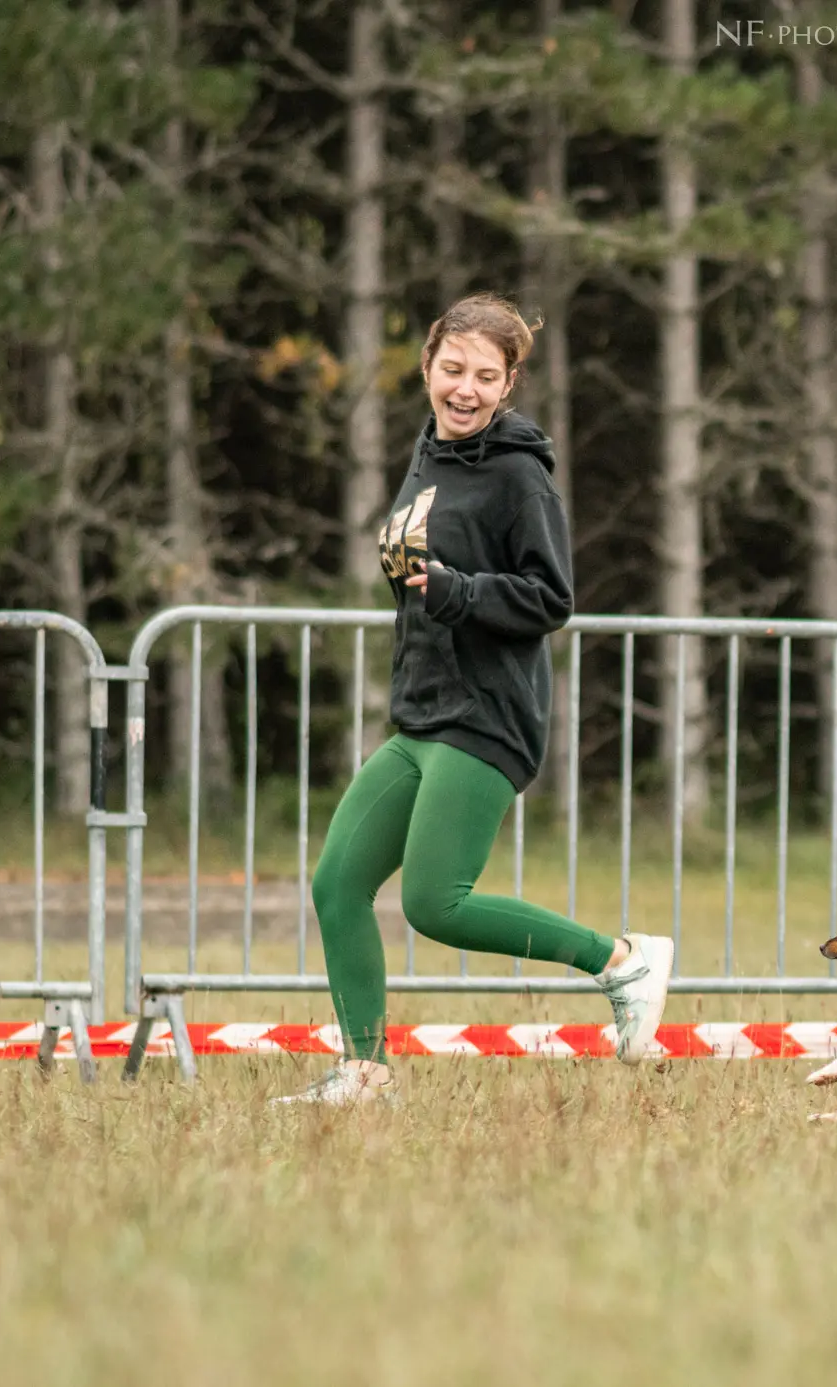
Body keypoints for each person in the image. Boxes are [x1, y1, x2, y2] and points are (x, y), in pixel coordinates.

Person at [278, 292, 672, 1105]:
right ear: (426, 366)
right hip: (421, 711)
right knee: (337, 883)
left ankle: (620, 958)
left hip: (488, 714)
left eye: (484, 376)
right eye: (452, 369)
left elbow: (551, 597)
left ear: (510, 382)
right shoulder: (429, 451)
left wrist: (459, 593)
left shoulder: (519, 473)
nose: (465, 388)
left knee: (433, 902)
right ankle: (363, 1071)